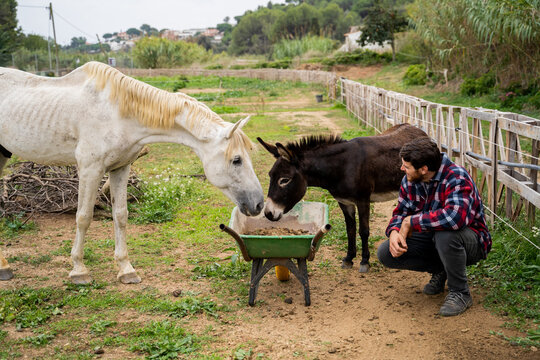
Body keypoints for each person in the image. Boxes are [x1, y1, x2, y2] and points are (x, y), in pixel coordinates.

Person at [377, 137, 492, 316]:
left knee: (446, 234)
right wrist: (394, 231)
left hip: (470, 241)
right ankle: (440, 269)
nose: (402, 169)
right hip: (434, 238)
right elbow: (401, 211)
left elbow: (455, 219)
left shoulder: (456, 177)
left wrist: (411, 222)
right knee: (386, 252)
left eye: (406, 166)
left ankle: (460, 292)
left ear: (424, 169)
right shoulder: (409, 180)